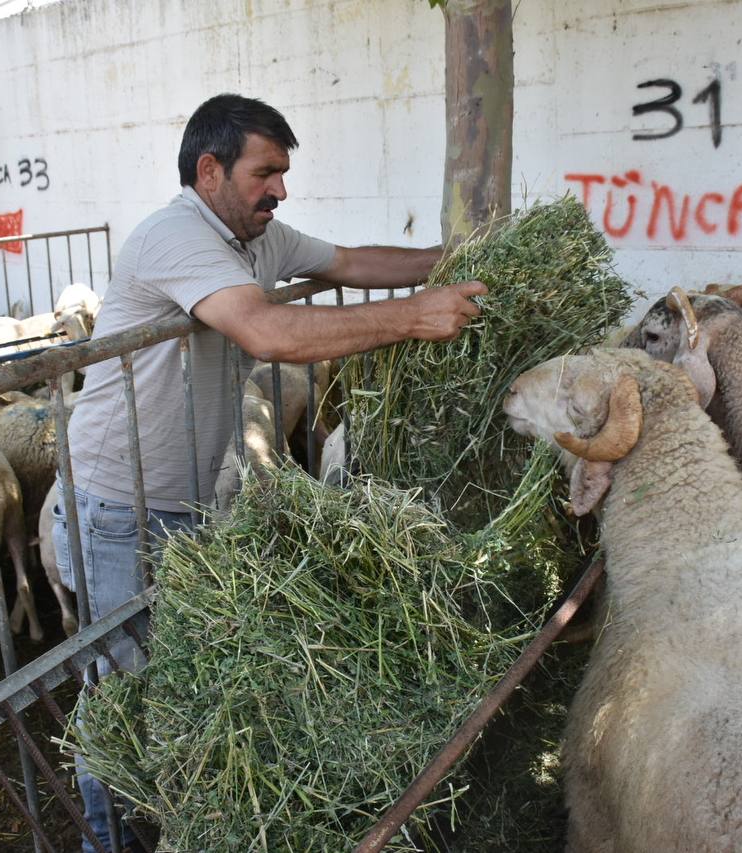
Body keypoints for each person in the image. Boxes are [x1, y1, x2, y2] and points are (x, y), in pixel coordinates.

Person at [52, 92, 486, 851]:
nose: (280, 189)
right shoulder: (175, 235)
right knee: (120, 694)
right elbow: (268, 329)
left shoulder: (257, 238)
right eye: (267, 172)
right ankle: (106, 840)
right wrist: (417, 313)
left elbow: (350, 262)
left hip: (181, 498)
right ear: (211, 169)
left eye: (283, 173)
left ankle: (169, 825)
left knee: (169, 674)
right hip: (117, 506)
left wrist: (460, 258)